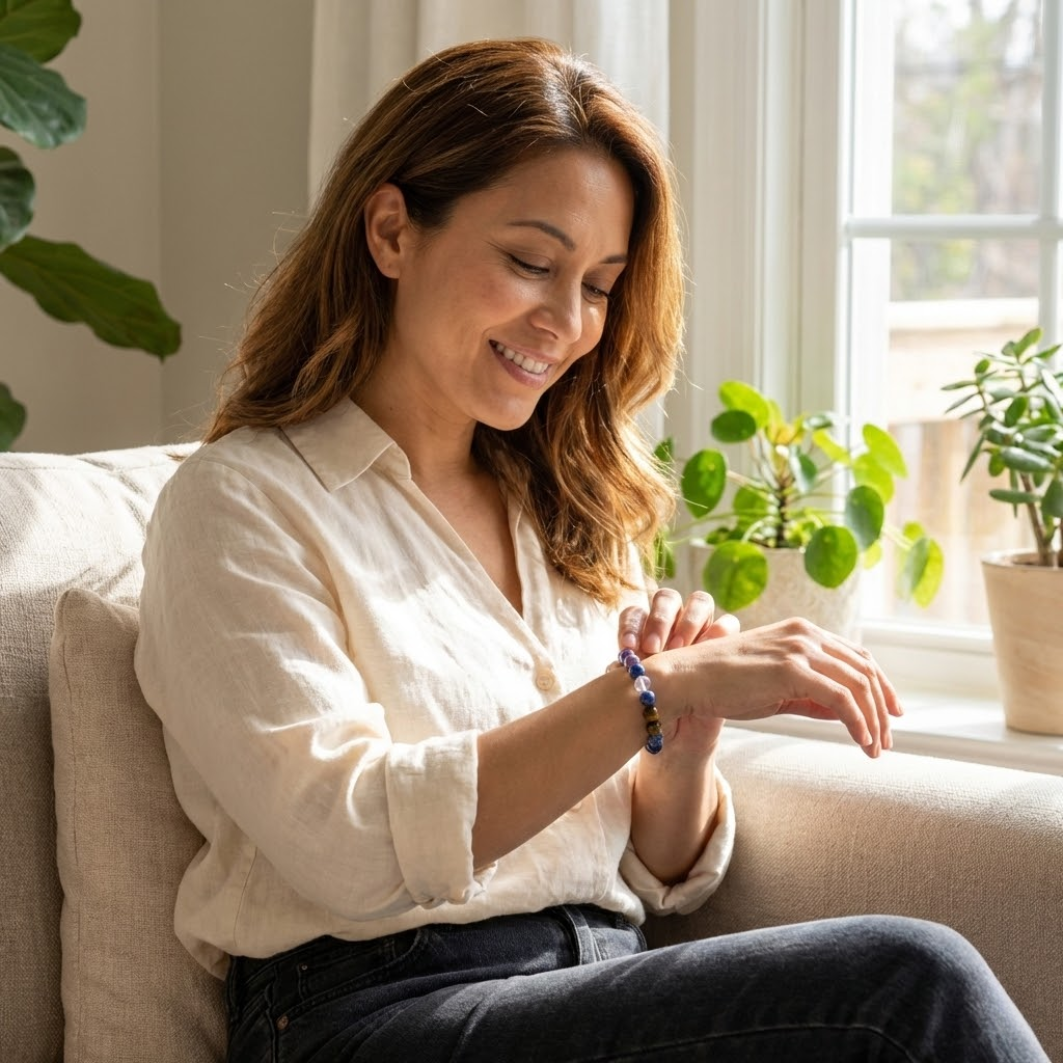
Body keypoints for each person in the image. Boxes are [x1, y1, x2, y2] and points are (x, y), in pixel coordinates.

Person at [135, 37, 1048, 1062]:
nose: (566, 322)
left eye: (601, 284)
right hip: (370, 1016)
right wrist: (644, 691)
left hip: (595, 984)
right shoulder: (241, 505)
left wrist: (681, 731)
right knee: (901, 985)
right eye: (529, 262)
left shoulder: (559, 508)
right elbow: (347, 845)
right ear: (391, 230)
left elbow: (657, 867)